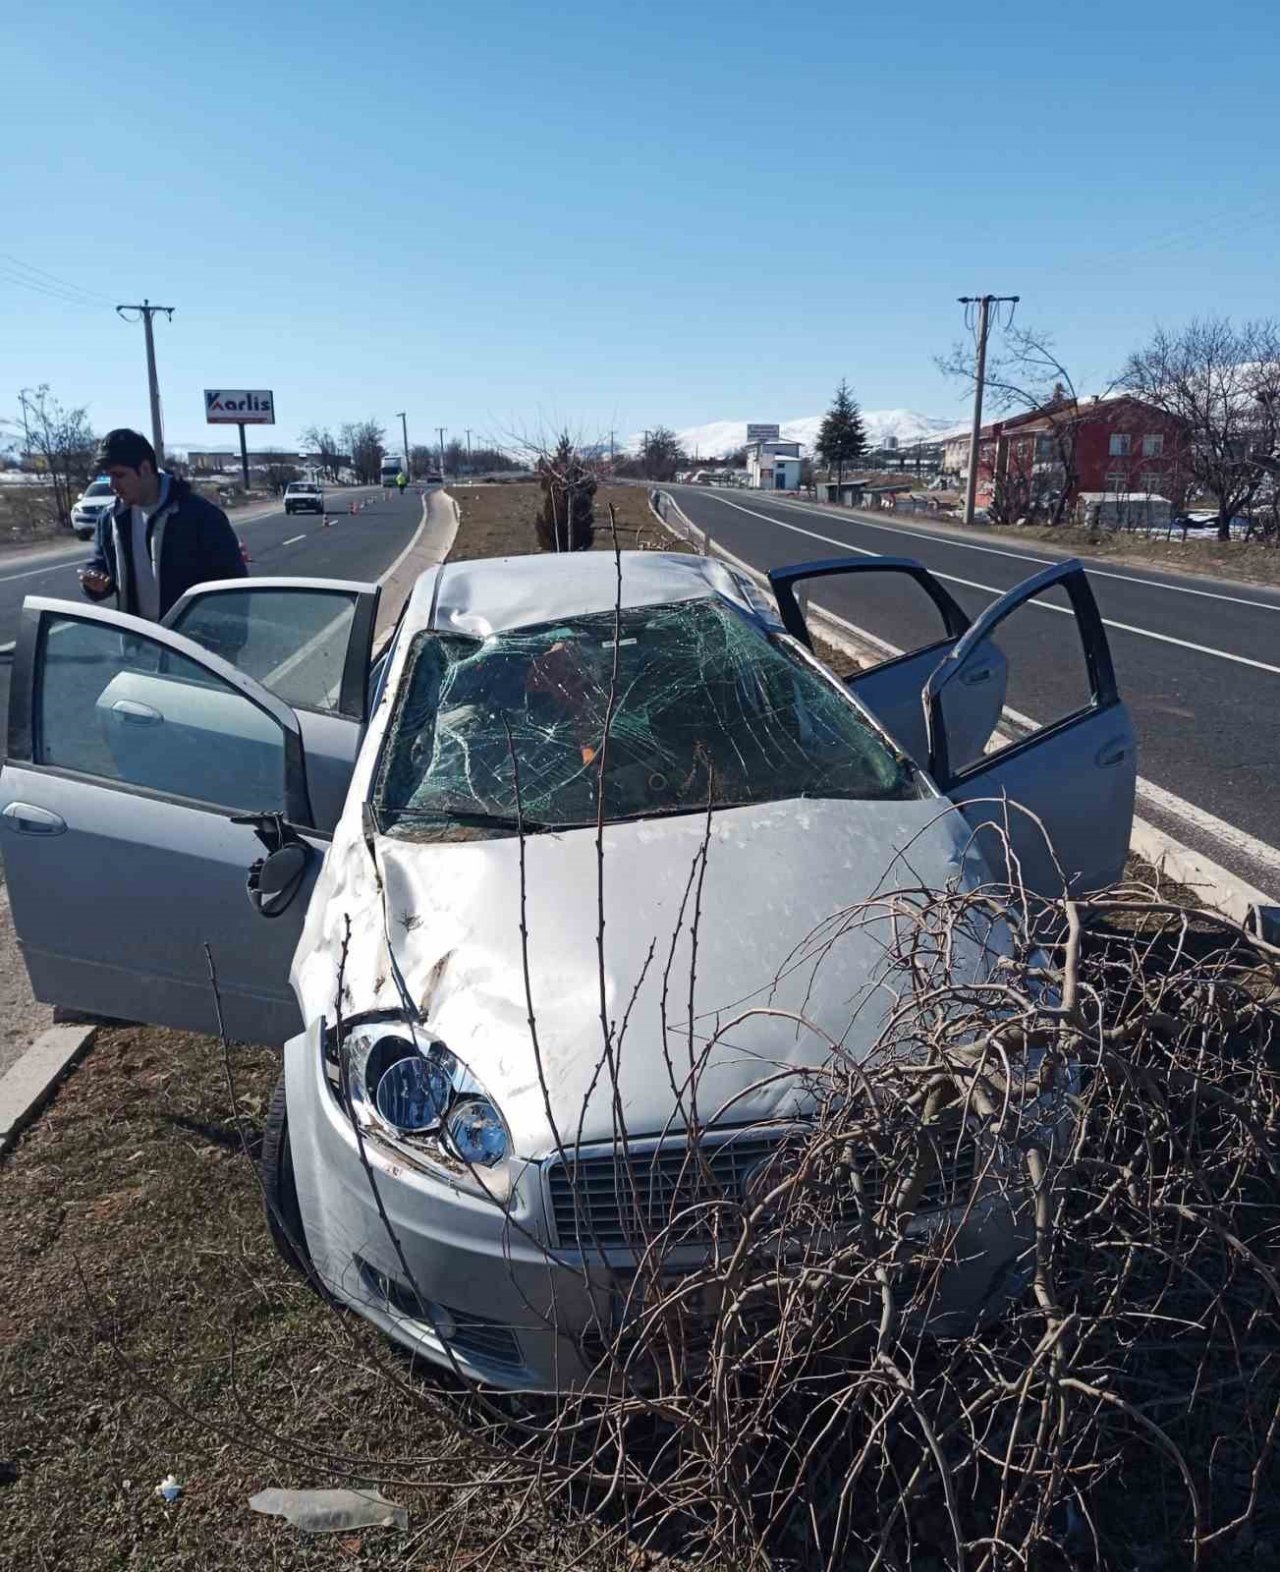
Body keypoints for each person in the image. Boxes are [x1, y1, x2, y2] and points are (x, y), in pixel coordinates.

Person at [79, 429, 246, 619]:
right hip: (137, 641)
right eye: (108, 476)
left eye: (119, 475)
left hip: (190, 642)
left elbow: (232, 588)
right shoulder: (110, 519)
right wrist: (94, 583)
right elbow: (100, 569)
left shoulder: (200, 516)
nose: (112, 485)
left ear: (144, 469)